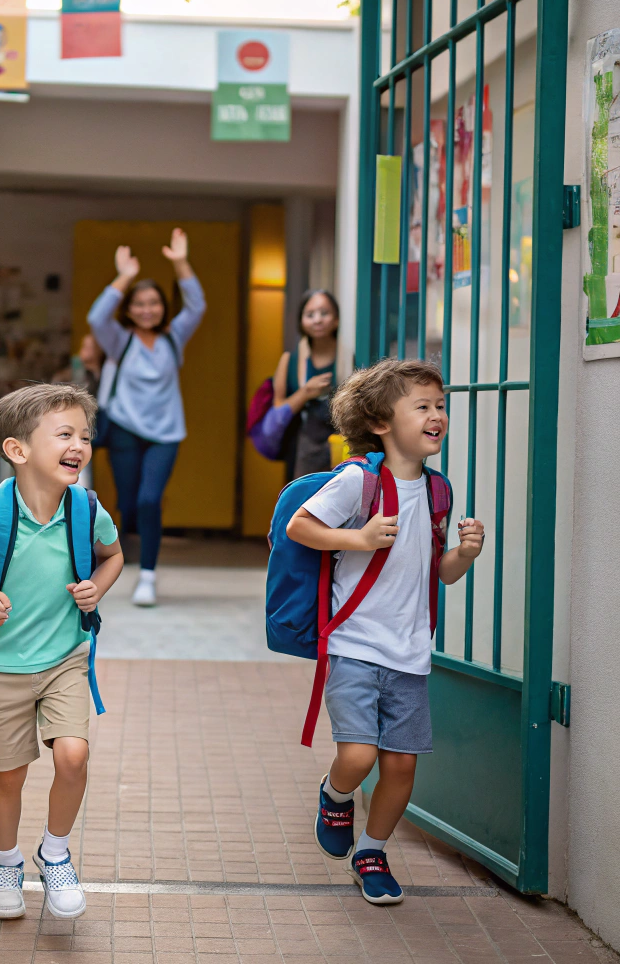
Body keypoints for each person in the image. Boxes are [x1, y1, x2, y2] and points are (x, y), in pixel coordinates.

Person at [286, 359, 485, 904]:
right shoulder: (359, 480)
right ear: (379, 420)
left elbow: (436, 573)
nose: (436, 415)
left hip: (410, 652)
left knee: (401, 764)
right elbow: (299, 525)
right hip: (353, 644)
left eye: (440, 405)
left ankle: (371, 851)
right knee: (358, 757)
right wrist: (361, 538)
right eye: (421, 406)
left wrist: (464, 555)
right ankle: (335, 793)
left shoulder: (438, 491)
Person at [0, 384, 124, 922]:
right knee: (10, 774)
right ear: (17, 450)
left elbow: (112, 556)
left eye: (85, 436)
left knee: (73, 755)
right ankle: (6, 863)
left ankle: (55, 851)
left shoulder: (87, 510)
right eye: (64, 434)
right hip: (2, 664)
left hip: (66, 657)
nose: (79, 445)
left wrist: (99, 586)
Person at [86, 228, 206, 607]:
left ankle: (148, 576)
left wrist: (180, 262)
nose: (147, 309)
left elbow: (198, 306)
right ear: (130, 308)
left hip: (166, 433)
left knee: (150, 499)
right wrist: (124, 276)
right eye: (139, 303)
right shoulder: (119, 340)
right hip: (123, 429)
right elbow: (96, 315)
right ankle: (119, 562)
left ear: (162, 307)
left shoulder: (175, 337)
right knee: (130, 504)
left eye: (153, 302)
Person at [273, 290, 341, 478]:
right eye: (310, 315)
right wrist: (305, 393)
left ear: (336, 319)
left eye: (324, 313)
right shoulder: (290, 360)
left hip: (342, 447)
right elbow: (278, 410)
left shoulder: (348, 356)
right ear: (301, 321)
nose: (317, 320)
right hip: (303, 450)